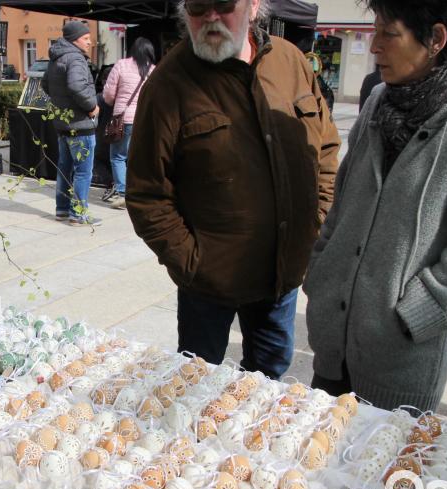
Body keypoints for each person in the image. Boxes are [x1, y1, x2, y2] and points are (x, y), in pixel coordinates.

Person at [303, 0, 447, 413]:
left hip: (402, 357)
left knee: (382, 470)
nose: (375, 47)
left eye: (389, 33)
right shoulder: (378, 103)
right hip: (334, 342)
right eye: (375, 32)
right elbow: (344, 198)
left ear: (436, 39)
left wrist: (423, 307)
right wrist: (322, 269)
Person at [126, 0, 340, 379]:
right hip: (209, 285)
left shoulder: (290, 62)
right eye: (197, 6)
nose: (211, 16)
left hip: (281, 275)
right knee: (194, 385)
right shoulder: (168, 83)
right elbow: (147, 195)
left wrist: (316, 219)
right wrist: (194, 263)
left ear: (254, 6)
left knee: (268, 382)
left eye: (224, 4)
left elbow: (325, 149)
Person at [42, 21, 101, 226]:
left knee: (64, 168)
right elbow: (76, 86)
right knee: (83, 171)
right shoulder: (75, 58)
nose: (89, 41)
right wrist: (92, 106)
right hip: (80, 124)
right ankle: (78, 214)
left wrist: (61, 102)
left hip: (63, 123)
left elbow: (45, 84)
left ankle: (62, 210)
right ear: (75, 39)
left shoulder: (56, 57)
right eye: (86, 38)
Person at [102, 37, 156, 210]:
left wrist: (114, 102)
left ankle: (123, 194)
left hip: (123, 119)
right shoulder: (154, 70)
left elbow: (108, 94)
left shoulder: (121, 65)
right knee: (137, 157)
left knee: (118, 156)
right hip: (144, 120)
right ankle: (140, 193)